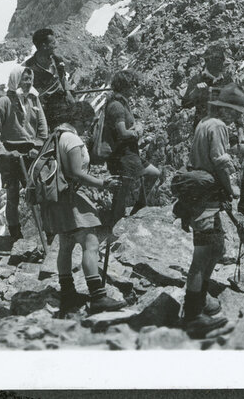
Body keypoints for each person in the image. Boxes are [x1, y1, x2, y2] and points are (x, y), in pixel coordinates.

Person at [181, 84, 244, 338]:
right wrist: (233, 189)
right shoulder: (217, 126)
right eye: (235, 111)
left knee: (216, 248)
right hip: (206, 197)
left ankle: (201, 298)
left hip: (207, 196)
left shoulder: (207, 121)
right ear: (226, 109)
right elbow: (220, 161)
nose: (237, 116)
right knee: (202, 254)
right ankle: (193, 315)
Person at [42, 123, 127, 315]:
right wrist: (102, 184)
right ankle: (98, 296)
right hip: (70, 198)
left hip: (57, 200)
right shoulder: (71, 139)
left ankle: (68, 293)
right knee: (90, 242)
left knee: (66, 244)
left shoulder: (55, 138)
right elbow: (75, 172)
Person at [181, 42, 244, 215]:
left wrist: (240, 130)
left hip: (224, 133)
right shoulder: (197, 80)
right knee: (213, 168)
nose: (219, 63)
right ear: (207, 61)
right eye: (215, 60)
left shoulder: (227, 80)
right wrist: (195, 92)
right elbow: (185, 104)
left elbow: (236, 107)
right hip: (204, 135)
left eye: (221, 60)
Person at [0, 66, 48, 241]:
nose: (27, 83)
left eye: (29, 79)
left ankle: (45, 232)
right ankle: (15, 234)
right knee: (12, 196)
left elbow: (42, 127)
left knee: (38, 192)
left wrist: (38, 146)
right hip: (10, 154)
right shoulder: (4, 102)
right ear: (15, 81)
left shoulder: (34, 100)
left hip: (31, 153)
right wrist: (5, 152)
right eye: (24, 79)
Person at [103, 70, 159, 222]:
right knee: (123, 190)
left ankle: (137, 208)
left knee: (153, 174)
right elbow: (122, 133)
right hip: (123, 155)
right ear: (125, 86)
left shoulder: (120, 103)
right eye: (132, 85)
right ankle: (115, 223)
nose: (135, 88)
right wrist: (137, 131)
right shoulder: (117, 106)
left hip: (130, 153)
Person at [25, 28, 77, 130]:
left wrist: (68, 92)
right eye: (53, 43)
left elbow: (63, 80)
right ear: (44, 46)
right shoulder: (28, 69)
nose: (56, 45)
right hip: (44, 117)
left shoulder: (57, 60)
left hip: (64, 110)